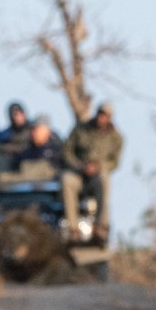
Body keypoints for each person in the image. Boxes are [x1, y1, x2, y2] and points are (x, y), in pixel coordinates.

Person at [62, 102, 122, 240]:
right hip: (79, 172)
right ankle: (73, 228)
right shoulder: (80, 129)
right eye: (101, 114)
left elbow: (115, 162)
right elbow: (67, 152)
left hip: (98, 174)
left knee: (104, 180)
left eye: (106, 116)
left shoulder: (116, 137)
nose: (103, 118)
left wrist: (99, 167)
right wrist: (80, 166)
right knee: (67, 180)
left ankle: (101, 226)